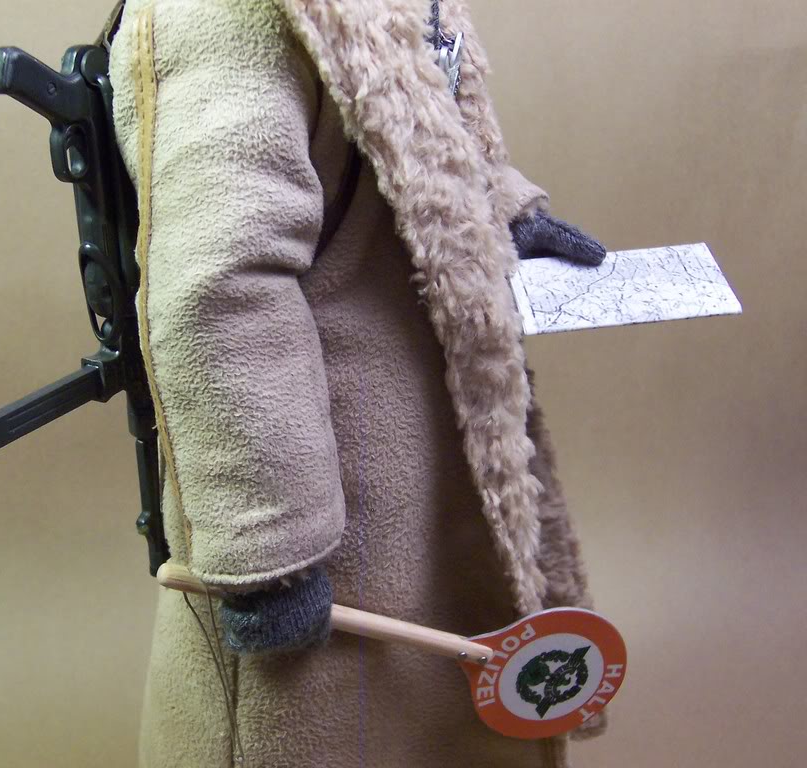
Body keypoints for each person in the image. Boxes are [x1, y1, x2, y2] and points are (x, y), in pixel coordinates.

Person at [108, 0, 604, 765]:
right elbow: (221, 287)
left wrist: (501, 210)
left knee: (432, 695)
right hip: (329, 470)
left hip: (432, 428)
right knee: (320, 714)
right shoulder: (223, 15)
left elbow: (427, 133)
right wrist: (268, 548)